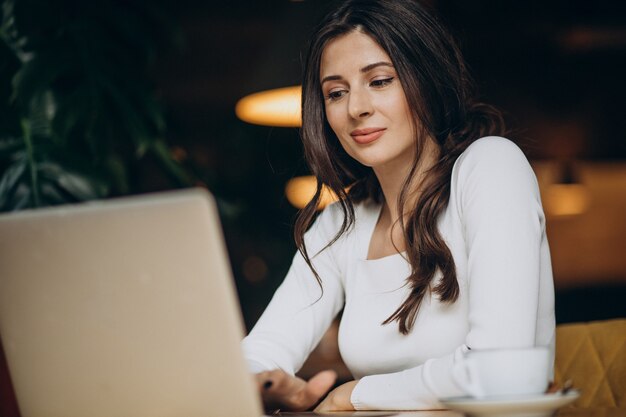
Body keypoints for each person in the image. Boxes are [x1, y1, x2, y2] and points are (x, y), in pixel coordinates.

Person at [242, 0, 555, 412]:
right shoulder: (341, 224)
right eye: (336, 93)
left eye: (380, 81)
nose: (356, 108)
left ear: (424, 79)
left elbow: (498, 371)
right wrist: (264, 384)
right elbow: (260, 354)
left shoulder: (491, 166)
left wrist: (352, 395)